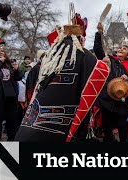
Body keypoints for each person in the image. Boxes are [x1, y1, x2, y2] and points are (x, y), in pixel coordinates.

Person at [14, 14, 110, 142]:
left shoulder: (51, 57)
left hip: (35, 119)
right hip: (60, 121)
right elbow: (100, 69)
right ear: (80, 40)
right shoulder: (82, 56)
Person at [92, 22, 128, 142]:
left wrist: (126, 80)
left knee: (123, 127)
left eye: (125, 49)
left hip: (123, 101)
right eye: (121, 48)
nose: (121, 49)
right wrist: (99, 34)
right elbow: (98, 50)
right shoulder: (110, 60)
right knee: (107, 128)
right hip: (108, 100)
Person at [0, 48, 23, 141]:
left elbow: (19, 78)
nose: (1, 53)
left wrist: (16, 70)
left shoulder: (8, 65)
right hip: (0, 98)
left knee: (12, 122)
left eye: (2, 52)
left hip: (11, 98)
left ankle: (11, 142)